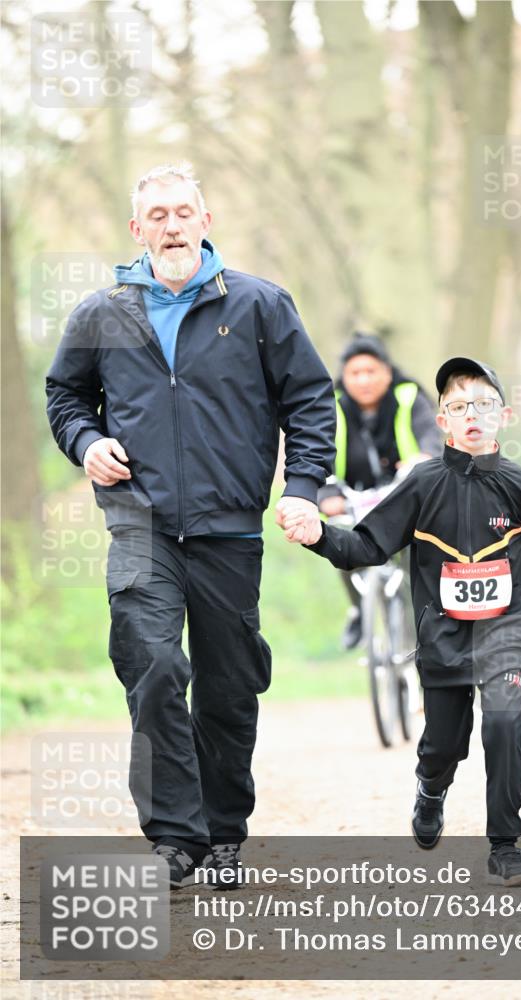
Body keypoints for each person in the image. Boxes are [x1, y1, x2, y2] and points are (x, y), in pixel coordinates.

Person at [45, 162, 335, 889]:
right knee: (151, 666)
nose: (172, 226)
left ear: (206, 223)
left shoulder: (261, 306)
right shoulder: (101, 313)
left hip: (228, 527)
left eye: (184, 212)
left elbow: (308, 400)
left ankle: (224, 834)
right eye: (158, 215)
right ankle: (175, 837)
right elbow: (65, 395)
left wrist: (300, 487)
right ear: (136, 229)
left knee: (228, 686)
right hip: (139, 523)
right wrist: (87, 443)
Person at [288, 356, 521, 887]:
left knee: (504, 722)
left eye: (484, 405)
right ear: (441, 420)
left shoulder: (519, 482)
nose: (472, 414)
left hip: (505, 626)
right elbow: (369, 544)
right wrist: (319, 536)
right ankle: (430, 786)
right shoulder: (422, 482)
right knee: (446, 741)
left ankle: (505, 848)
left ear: (503, 416)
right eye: (459, 406)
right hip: (441, 632)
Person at [318, 333, 441, 649]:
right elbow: (318, 453)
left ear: (387, 371)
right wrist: (326, 492)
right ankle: (360, 607)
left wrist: (423, 459)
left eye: (371, 371)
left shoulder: (409, 397)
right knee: (339, 537)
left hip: (403, 495)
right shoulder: (331, 405)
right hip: (353, 497)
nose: (363, 380)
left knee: (418, 557)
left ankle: (419, 641)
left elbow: (430, 437)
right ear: (344, 378)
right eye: (355, 373)